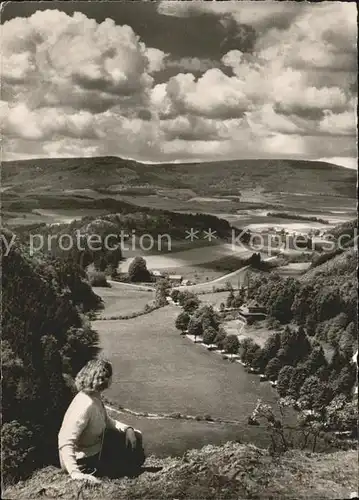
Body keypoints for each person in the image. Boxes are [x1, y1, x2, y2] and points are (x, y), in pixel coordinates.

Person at [58, 359, 145, 484]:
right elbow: (65, 440)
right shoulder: (85, 405)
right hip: (82, 462)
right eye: (108, 376)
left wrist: (128, 429)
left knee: (134, 436)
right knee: (129, 456)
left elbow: (106, 420)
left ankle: (129, 468)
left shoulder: (94, 396)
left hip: (93, 451)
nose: (110, 380)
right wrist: (75, 473)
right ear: (102, 379)